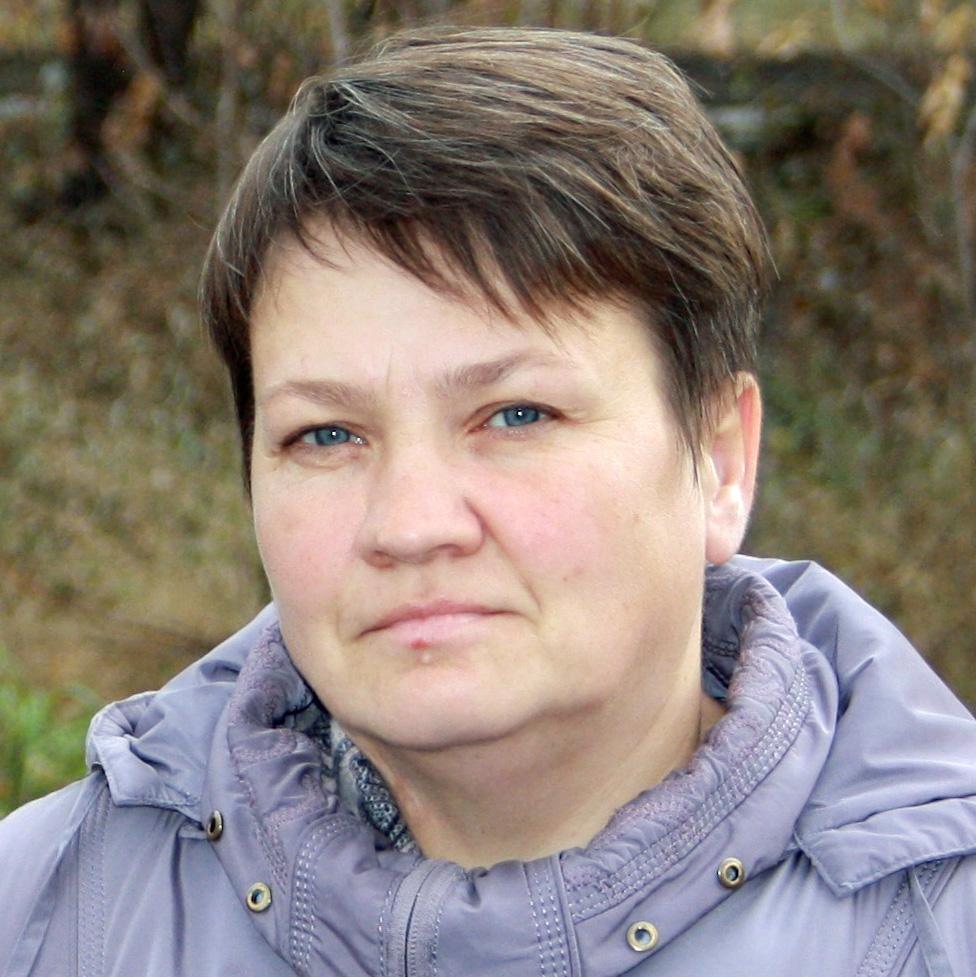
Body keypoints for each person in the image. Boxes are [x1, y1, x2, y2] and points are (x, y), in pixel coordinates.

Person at [2, 26, 974, 977]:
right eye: (327, 435)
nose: (410, 524)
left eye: (516, 415)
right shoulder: (42, 919)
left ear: (719, 460)